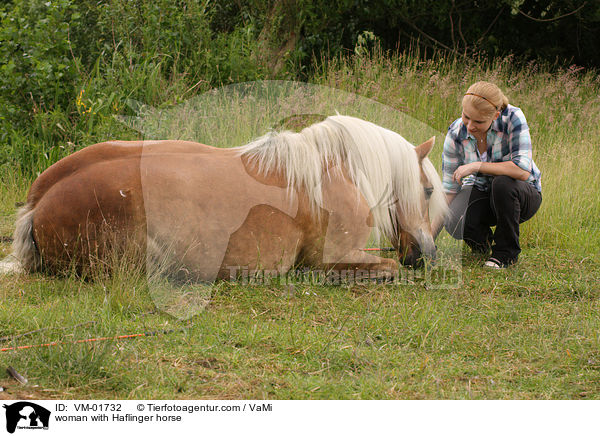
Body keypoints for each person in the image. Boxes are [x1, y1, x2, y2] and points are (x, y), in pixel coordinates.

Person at [440, 81, 542, 268]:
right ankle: (482, 244)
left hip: (520, 194)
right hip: (482, 192)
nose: (470, 126)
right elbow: (449, 189)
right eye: (466, 117)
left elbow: (521, 170)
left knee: (502, 183)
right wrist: (428, 238)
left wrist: (477, 166)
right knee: (452, 215)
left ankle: (505, 253)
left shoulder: (513, 117)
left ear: (495, 116)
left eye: (478, 121)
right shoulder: (455, 133)